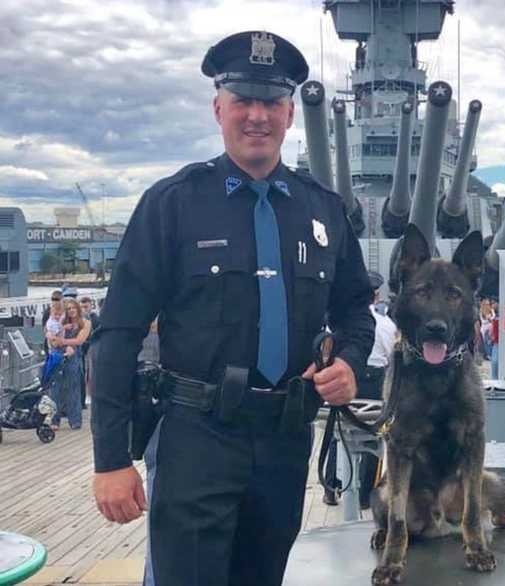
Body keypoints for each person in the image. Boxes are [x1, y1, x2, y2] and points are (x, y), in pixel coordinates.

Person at [91, 31, 374, 586]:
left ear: (290, 113)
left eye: (270, 102)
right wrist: (110, 459)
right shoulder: (173, 205)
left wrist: (350, 363)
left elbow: (356, 311)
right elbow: (116, 333)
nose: (256, 116)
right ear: (218, 108)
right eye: (243, 100)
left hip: (284, 440)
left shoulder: (325, 210)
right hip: (196, 437)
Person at [48, 299, 91, 429]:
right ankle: (55, 420)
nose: (71, 310)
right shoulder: (61, 322)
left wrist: (63, 341)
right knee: (55, 389)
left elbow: (79, 340)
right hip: (58, 355)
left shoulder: (85, 323)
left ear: (78, 309)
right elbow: (52, 338)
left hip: (74, 357)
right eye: (68, 308)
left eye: (73, 308)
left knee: (73, 389)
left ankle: (75, 421)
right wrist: (57, 340)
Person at [79, 297, 100, 409]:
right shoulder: (78, 319)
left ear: (91, 306)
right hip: (81, 349)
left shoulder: (95, 319)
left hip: (91, 348)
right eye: (82, 307)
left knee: (89, 374)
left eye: (86, 307)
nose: (84, 309)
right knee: (83, 374)